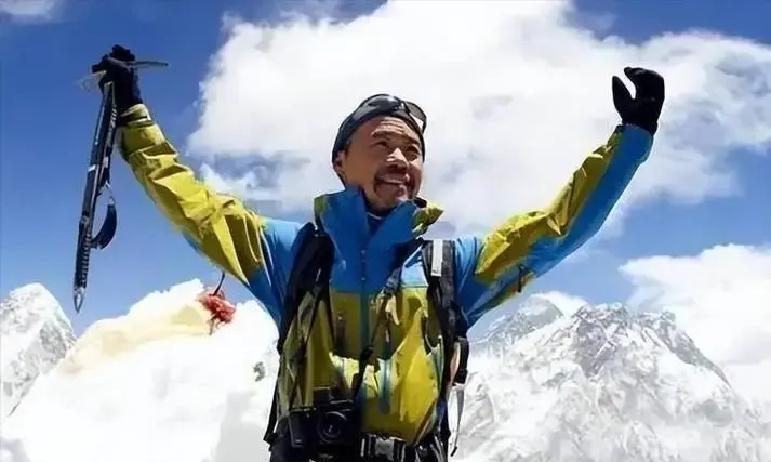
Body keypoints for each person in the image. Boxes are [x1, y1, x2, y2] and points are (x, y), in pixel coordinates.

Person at [94, 44, 664, 462]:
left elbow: (556, 230)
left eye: (412, 151)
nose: (400, 158)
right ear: (340, 162)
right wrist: (135, 120)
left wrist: (631, 139)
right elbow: (196, 209)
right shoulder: (294, 256)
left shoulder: (450, 270)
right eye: (383, 144)